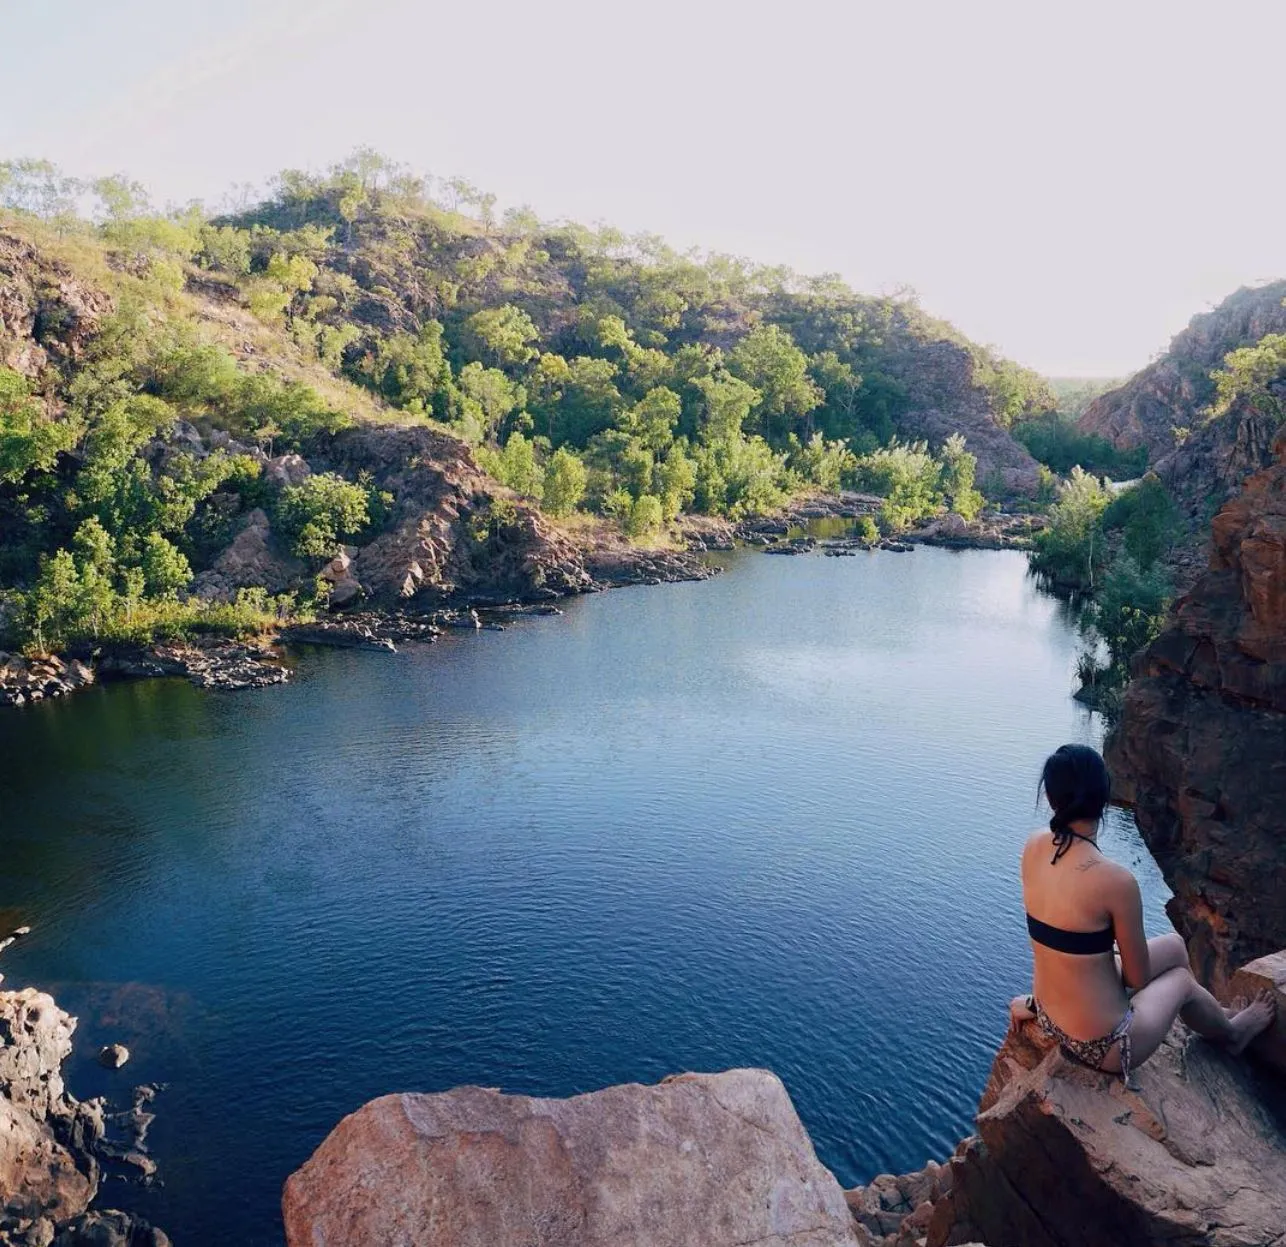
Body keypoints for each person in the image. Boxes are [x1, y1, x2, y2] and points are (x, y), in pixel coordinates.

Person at [1007, 743, 1275, 1082]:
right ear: (1103, 797)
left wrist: (1035, 1002)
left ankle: (1217, 1016)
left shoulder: (1032, 848)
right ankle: (1233, 1035)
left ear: (1050, 796)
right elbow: (1137, 978)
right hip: (1105, 1044)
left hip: (1047, 1013)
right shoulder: (1115, 880)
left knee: (1177, 947)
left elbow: (1060, 947)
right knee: (1181, 980)